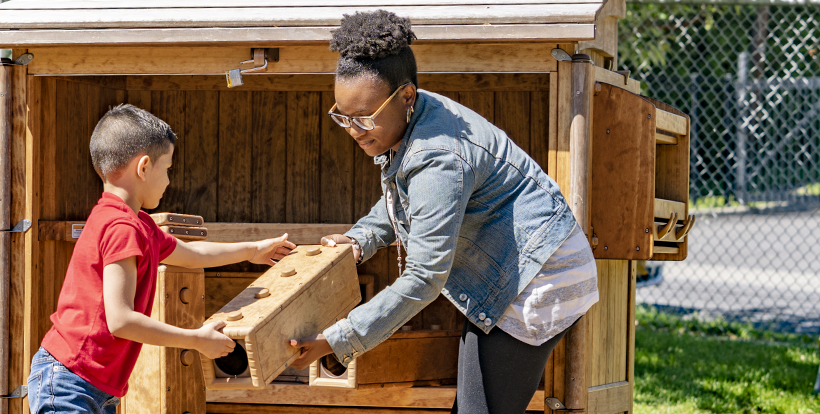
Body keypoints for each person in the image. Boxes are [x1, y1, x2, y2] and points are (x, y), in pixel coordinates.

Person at [287, 10, 600, 413]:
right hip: (507, 275)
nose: (353, 129)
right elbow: (410, 200)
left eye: (364, 117)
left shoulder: (438, 156)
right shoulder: (415, 117)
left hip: (541, 278)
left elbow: (424, 278)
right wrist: (359, 240)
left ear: (406, 96)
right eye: (342, 116)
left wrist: (339, 339)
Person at [29, 104, 296, 414]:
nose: (169, 180)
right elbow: (121, 320)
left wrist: (252, 251)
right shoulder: (121, 228)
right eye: (167, 168)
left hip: (91, 385)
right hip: (70, 382)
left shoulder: (137, 223)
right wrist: (196, 340)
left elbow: (193, 254)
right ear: (144, 168)